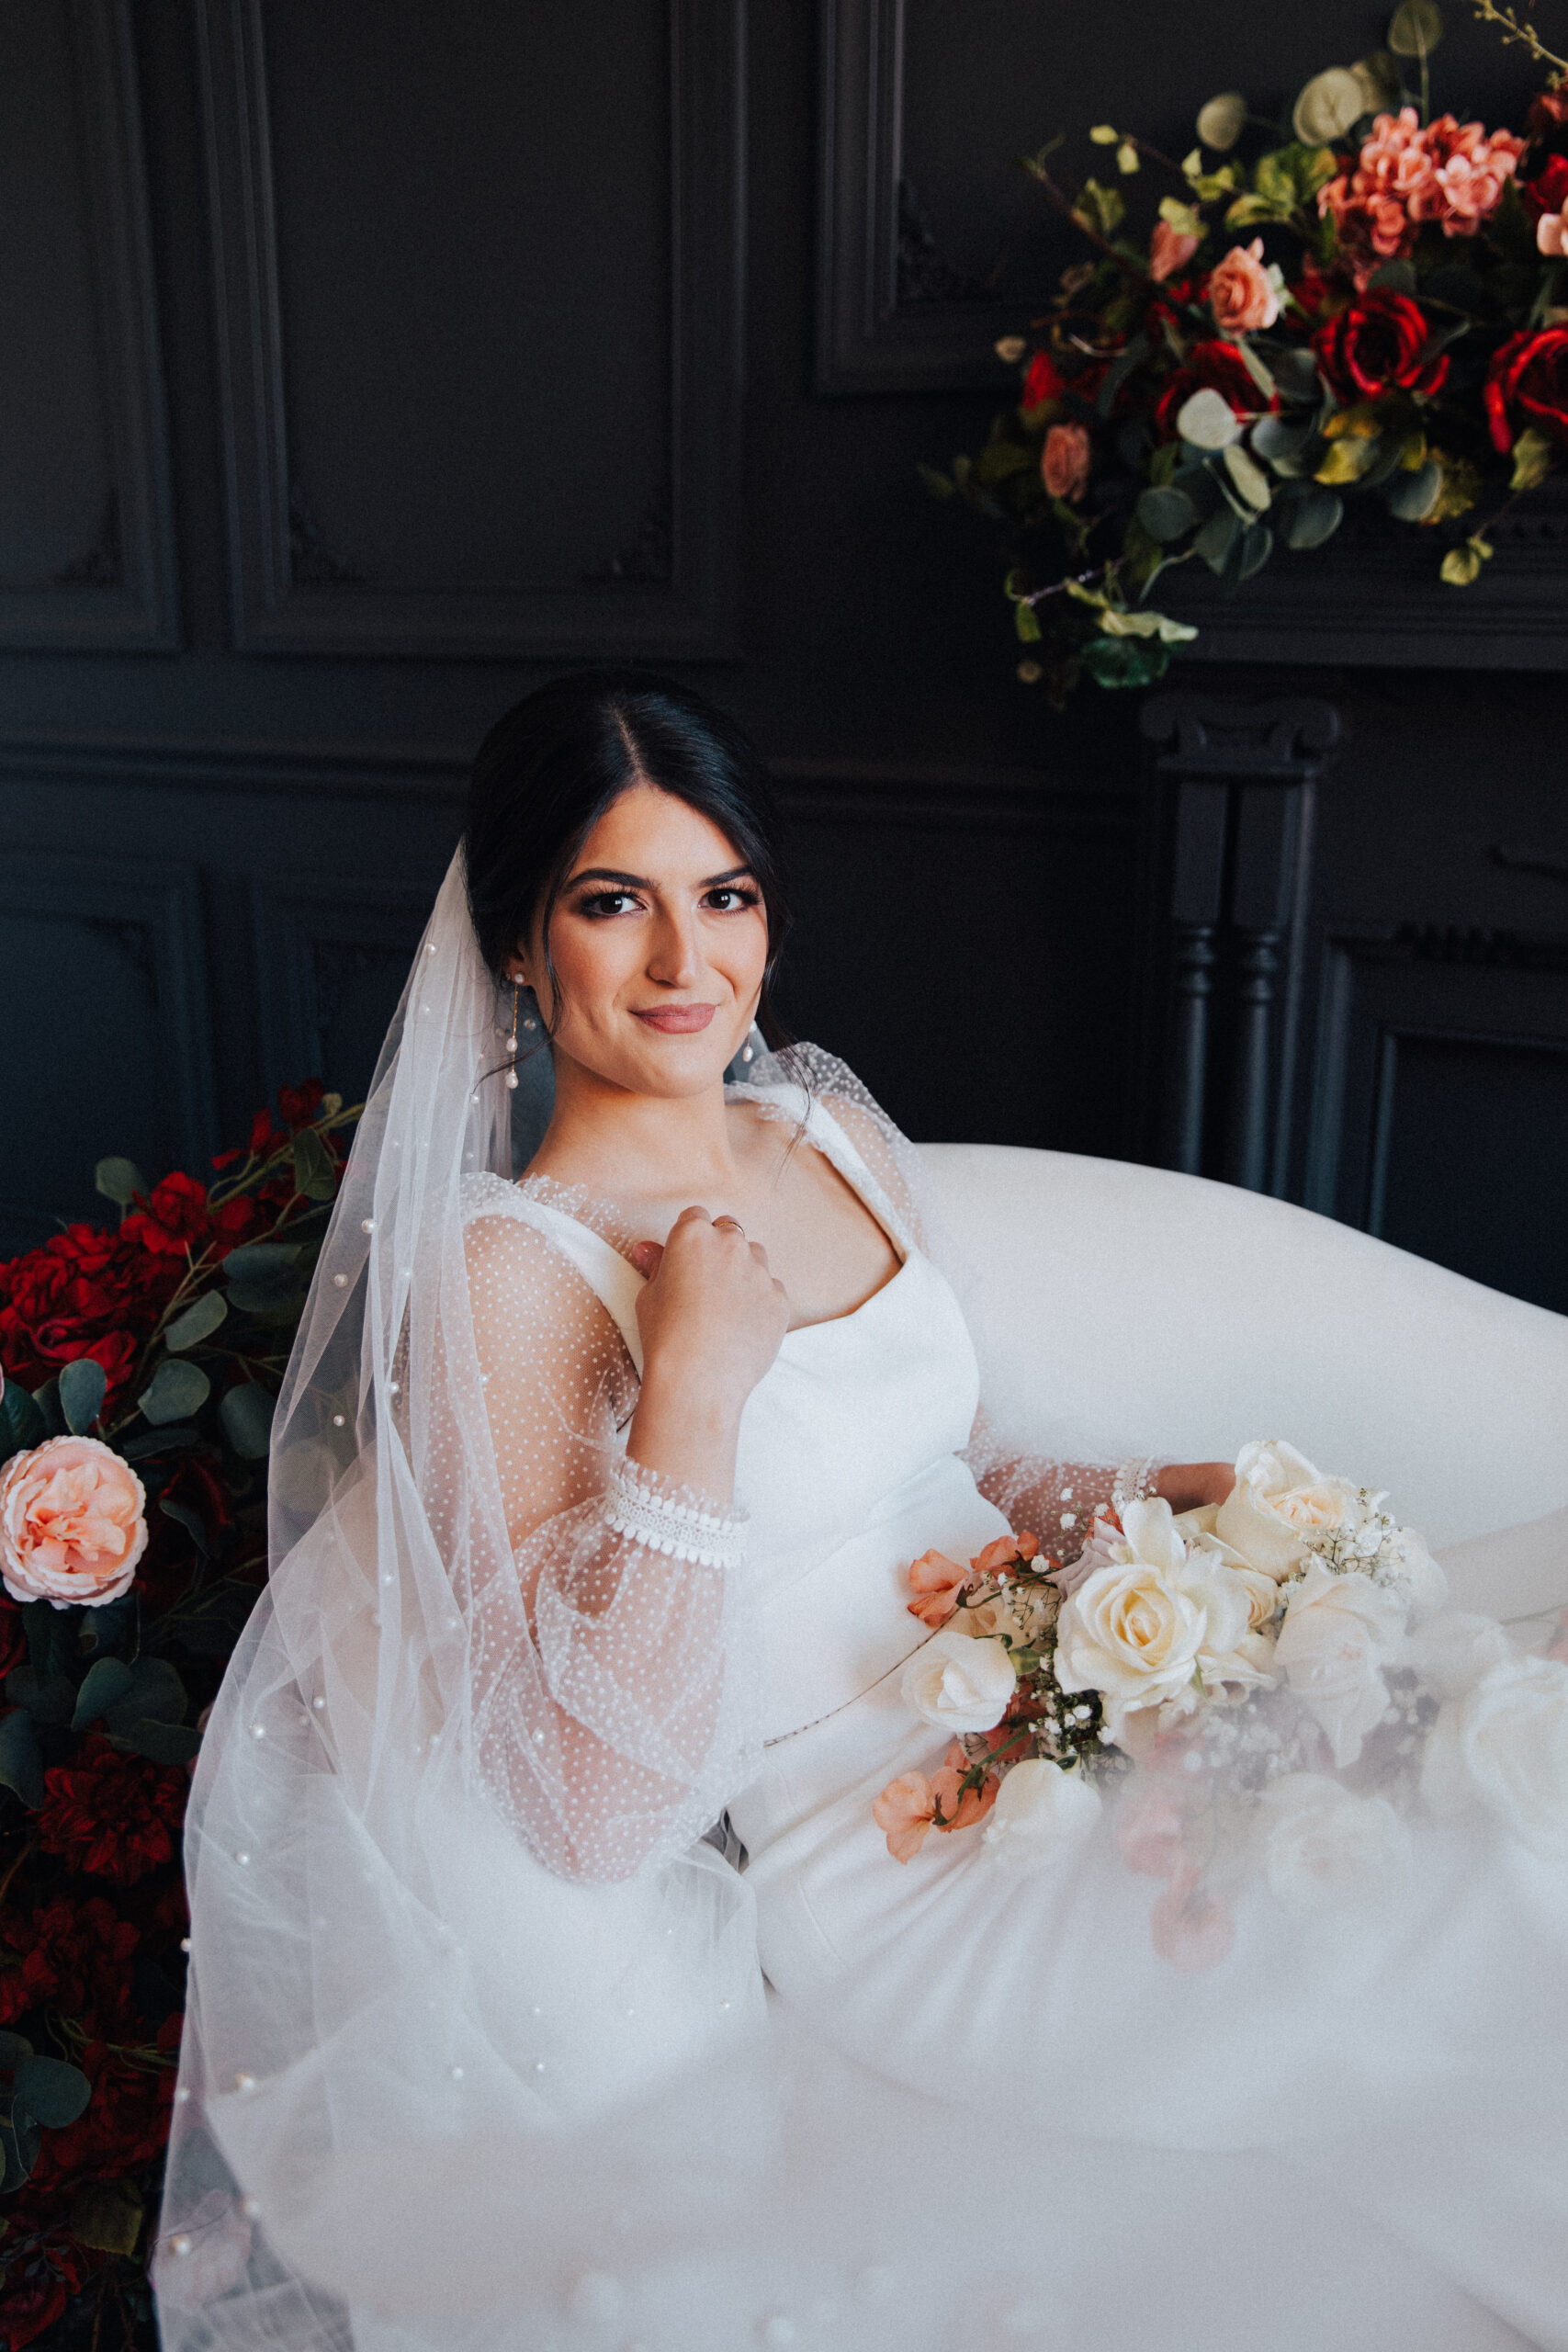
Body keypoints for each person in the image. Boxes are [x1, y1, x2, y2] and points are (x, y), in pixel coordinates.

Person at [157, 673, 1568, 2352]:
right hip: (906, 1871)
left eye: (725, 895)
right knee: (1496, 1869)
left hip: (1087, 1719)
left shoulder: (822, 1125)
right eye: (617, 904)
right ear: (524, 949)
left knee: (1499, 1750)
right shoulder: (504, 1280)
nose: (689, 965)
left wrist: (1153, 1503)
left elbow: (958, 1464)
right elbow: (589, 1808)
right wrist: (689, 1397)